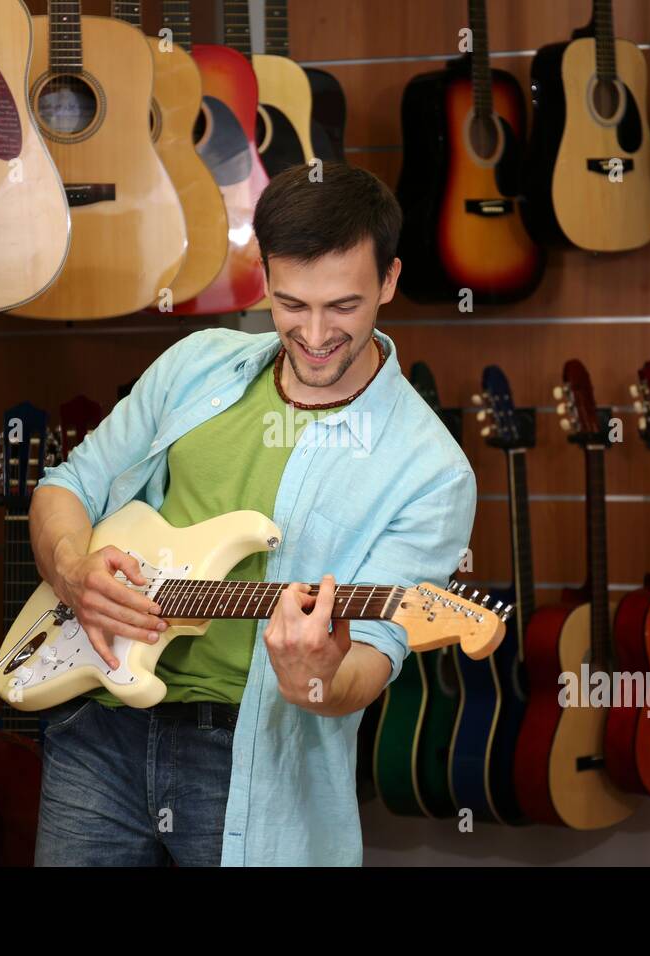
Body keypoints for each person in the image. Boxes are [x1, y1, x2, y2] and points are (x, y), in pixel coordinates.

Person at [29, 162, 477, 866]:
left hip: (248, 755)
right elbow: (67, 485)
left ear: (390, 281)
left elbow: (367, 665)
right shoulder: (194, 365)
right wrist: (72, 570)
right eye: (292, 303)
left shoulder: (432, 472)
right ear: (264, 274)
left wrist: (315, 675)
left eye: (344, 306)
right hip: (98, 730)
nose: (317, 333)